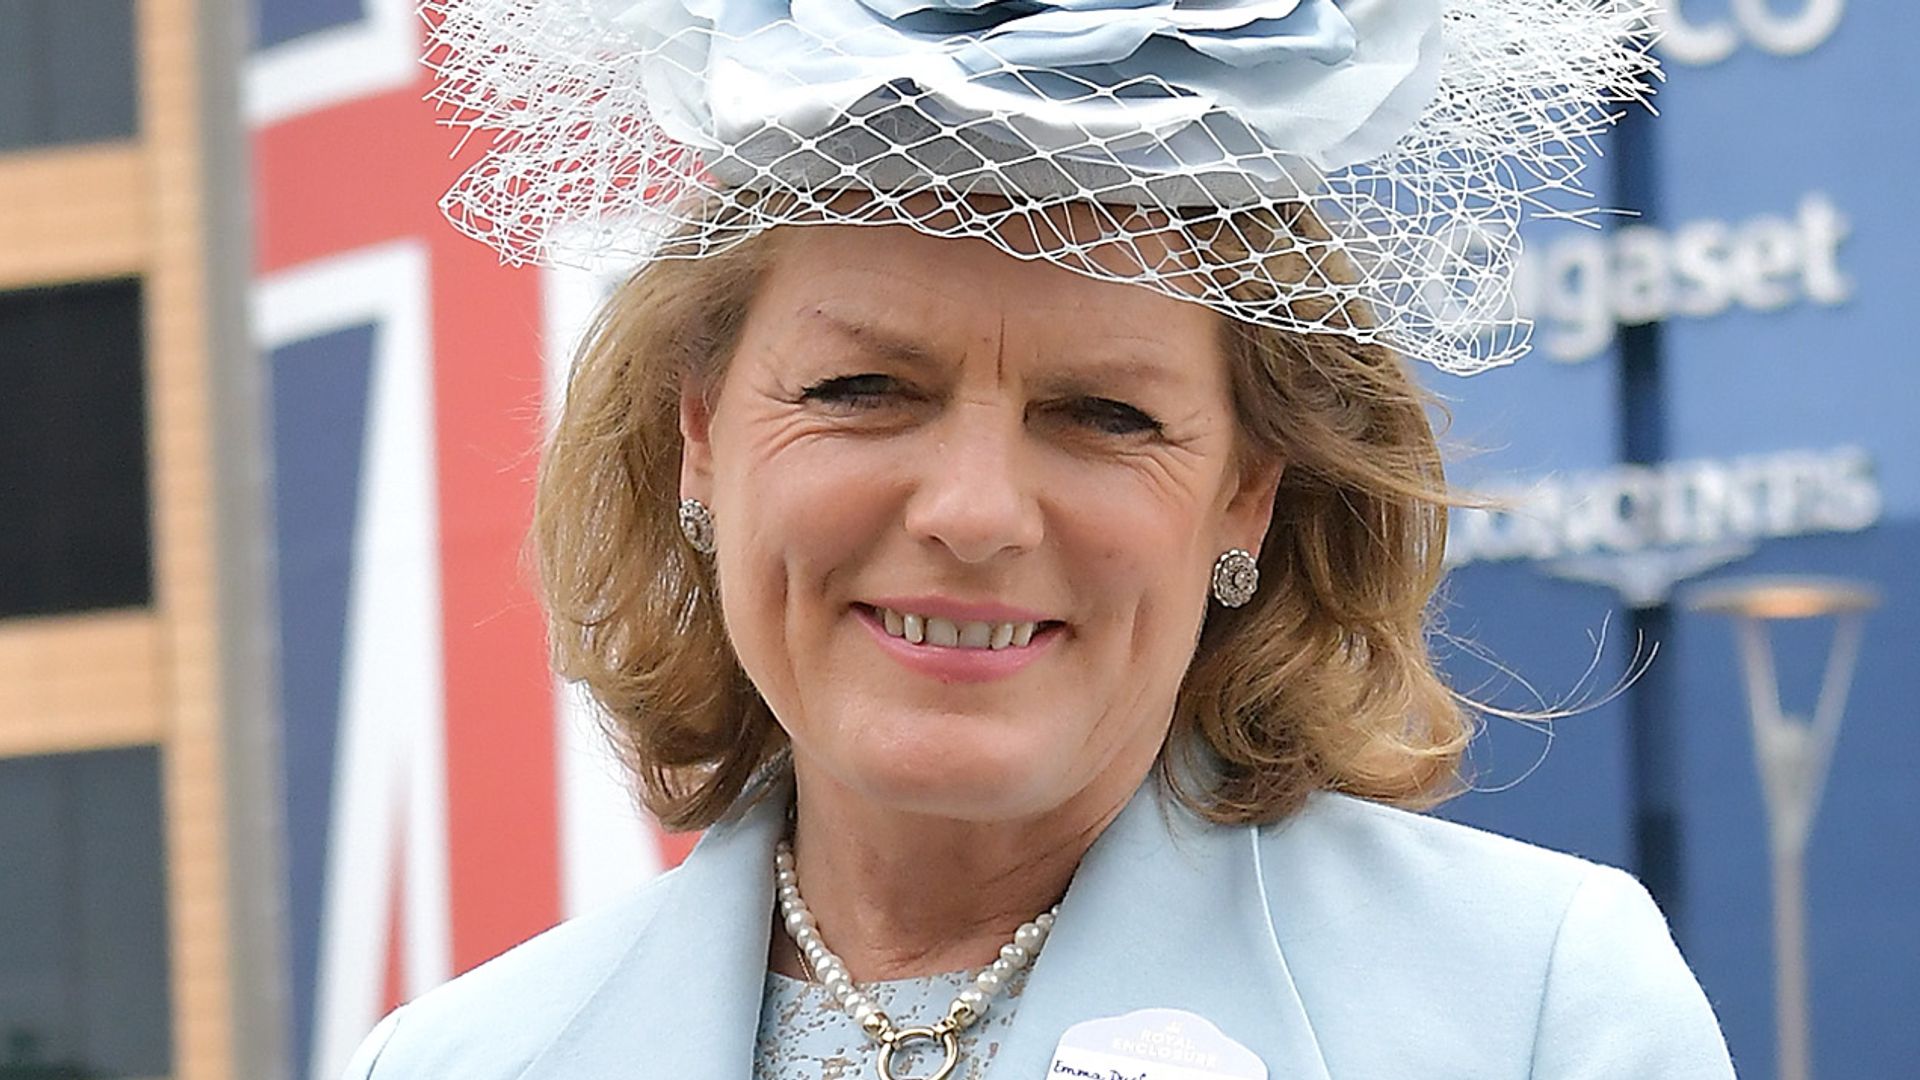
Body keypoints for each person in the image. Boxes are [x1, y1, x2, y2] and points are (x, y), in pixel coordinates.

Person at [348, 1, 1736, 1076]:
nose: (970, 512)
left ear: (1245, 493)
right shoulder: (465, 1059)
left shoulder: (1532, 1008)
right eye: (863, 391)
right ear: (700, 437)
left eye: (1104, 415)